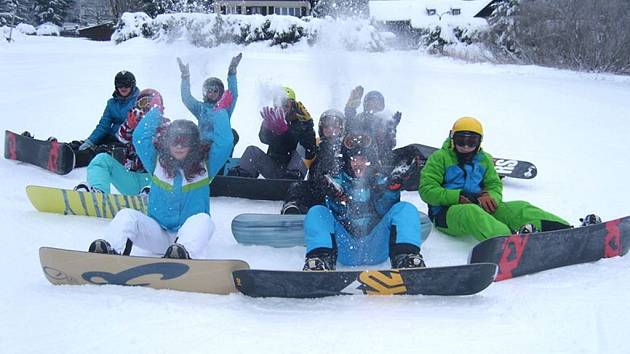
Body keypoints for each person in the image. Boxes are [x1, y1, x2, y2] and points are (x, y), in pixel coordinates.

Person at [86, 61, 236, 259]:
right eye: (175, 141)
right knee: (126, 215)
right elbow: (139, 138)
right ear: (167, 143)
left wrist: (219, 112)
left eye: (185, 142)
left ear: (194, 144)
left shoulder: (204, 166)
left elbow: (225, 142)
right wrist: (156, 110)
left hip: (188, 233)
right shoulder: (157, 162)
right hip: (158, 232)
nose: (179, 146)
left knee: (203, 221)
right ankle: (110, 249)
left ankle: (183, 253)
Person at [419, 116, 598, 241]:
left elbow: (494, 184)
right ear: (452, 138)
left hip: (478, 204)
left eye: (471, 141)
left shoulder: (484, 159)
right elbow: (427, 190)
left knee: (520, 207)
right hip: (445, 214)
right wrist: (456, 197)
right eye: (461, 140)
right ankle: (510, 241)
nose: (465, 146)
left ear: (479, 142)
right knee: (471, 213)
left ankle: (566, 231)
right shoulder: (440, 158)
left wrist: (492, 197)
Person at [302, 130, 426, 271]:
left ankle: (406, 258)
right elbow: (332, 216)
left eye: (363, 160)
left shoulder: (381, 181)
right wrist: (335, 197)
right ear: (347, 161)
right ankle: (320, 259)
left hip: (376, 247)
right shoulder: (337, 182)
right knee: (317, 211)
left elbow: (385, 209)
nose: (358, 164)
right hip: (344, 248)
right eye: (354, 159)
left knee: (405, 208)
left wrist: (391, 189)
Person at [74, 89, 164, 195]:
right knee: (101, 160)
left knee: (167, 166)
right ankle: (99, 192)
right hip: (131, 178)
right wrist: (129, 127)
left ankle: (151, 193)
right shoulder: (132, 123)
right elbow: (122, 138)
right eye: (143, 102)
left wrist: (153, 122)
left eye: (152, 103)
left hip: (153, 180)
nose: (147, 106)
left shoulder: (165, 126)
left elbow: (165, 145)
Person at [227, 86, 317, 180]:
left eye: (286, 105)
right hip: (273, 167)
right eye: (279, 104)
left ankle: (291, 178)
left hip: (293, 171)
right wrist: (267, 128)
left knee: (302, 149)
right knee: (252, 151)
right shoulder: (272, 119)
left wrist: (286, 131)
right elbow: (263, 138)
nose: (283, 108)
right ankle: (240, 177)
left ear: (293, 106)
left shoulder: (300, 122)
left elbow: (308, 148)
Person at [345, 86, 424, 190]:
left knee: (412, 150)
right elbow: (350, 127)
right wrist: (351, 108)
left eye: (377, 104)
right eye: (371, 103)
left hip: (384, 159)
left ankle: (408, 172)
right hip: (365, 159)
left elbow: (390, 145)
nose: (374, 106)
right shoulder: (361, 118)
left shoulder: (384, 120)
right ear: (365, 105)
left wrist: (391, 129)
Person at [281, 109, 345, 214]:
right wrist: (307, 126)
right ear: (321, 128)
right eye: (327, 126)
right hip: (317, 189)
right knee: (297, 187)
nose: (331, 129)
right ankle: (293, 208)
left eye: (335, 126)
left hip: (338, 191)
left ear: (341, 129)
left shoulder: (345, 147)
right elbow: (308, 144)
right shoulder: (317, 144)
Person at [177, 53, 241, 158]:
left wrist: (232, 73)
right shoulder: (200, 108)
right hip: (202, 146)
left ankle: (224, 162)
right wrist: (185, 77)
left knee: (233, 134)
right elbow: (186, 98)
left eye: (215, 90)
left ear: (220, 92)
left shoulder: (225, 108)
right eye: (209, 90)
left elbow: (233, 94)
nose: (212, 93)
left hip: (220, 146)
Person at [73, 71, 140, 167]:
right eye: (120, 85)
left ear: (132, 85)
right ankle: (66, 149)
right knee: (91, 143)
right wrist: (90, 141)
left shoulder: (139, 102)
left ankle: (76, 158)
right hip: (112, 137)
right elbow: (103, 125)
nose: (123, 88)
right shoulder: (112, 103)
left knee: (101, 151)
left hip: (126, 141)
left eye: (127, 85)